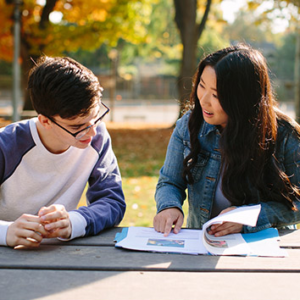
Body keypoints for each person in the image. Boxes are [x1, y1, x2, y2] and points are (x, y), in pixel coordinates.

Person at [153, 44, 300, 237]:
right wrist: (169, 207)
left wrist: (248, 219)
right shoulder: (188, 126)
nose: (204, 100)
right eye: (201, 86)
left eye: (216, 94)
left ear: (242, 99)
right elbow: (170, 181)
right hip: (203, 246)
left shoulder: (284, 135)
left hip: (263, 249)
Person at [0, 56, 126, 248]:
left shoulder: (97, 136)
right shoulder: (6, 146)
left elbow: (112, 200)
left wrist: (74, 221)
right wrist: (6, 232)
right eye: (77, 126)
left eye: (95, 118)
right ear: (45, 121)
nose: (91, 131)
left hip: (61, 255)